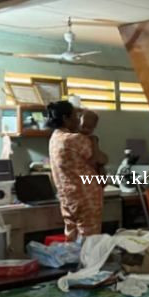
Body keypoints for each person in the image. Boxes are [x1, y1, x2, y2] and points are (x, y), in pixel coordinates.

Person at [46, 101, 104, 240]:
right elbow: (101, 159)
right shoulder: (75, 139)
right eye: (75, 116)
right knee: (89, 241)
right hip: (86, 198)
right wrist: (94, 142)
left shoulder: (55, 138)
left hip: (68, 198)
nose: (78, 120)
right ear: (66, 118)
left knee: (72, 237)